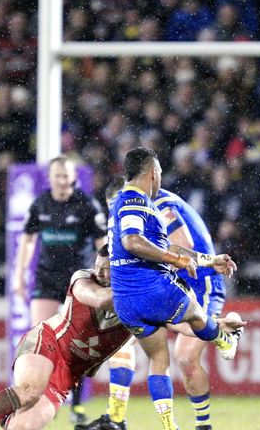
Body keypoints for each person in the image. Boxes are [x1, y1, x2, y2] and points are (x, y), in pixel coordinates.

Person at [0, 246, 243, 430]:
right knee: (30, 391)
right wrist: (146, 293)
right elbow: (97, 298)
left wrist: (217, 327)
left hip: (69, 371)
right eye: (100, 269)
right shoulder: (83, 279)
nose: (103, 275)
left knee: (21, 425)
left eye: (109, 271)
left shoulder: (138, 302)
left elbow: (184, 325)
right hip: (48, 344)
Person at [79, 184, 237, 430]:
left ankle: (203, 425)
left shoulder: (158, 205)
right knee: (124, 342)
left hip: (199, 281)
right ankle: (117, 419)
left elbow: (182, 245)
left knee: (184, 357)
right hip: (164, 281)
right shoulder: (135, 207)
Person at [109, 147, 242, 430]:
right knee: (184, 345)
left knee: (166, 356)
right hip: (165, 284)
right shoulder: (142, 201)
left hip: (169, 287)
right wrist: (177, 259)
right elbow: (149, 244)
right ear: (154, 173)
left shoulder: (149, 203)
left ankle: (162, 424)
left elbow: (173, 244)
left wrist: (208, 260)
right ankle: (224, 336)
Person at [11, 156, 108, 423]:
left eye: (67, 176)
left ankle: (76, 405)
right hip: (46, 279)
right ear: (50, 178)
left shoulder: (87, 205)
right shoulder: (40, 204)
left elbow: (103, 243)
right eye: (58, 176)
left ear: (73, 177)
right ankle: (37, 399)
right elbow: (28, 241)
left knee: (75, 345)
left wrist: (109, 275)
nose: (63, 181)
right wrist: (19, 275)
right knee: (38, 343)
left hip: (78, 283)